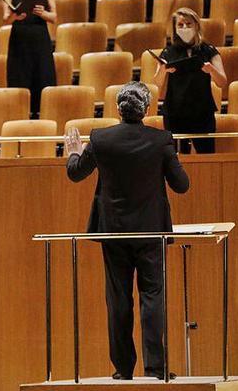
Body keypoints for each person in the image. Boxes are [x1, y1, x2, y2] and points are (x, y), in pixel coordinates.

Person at [65, 82, 190, 380]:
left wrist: (73, 152)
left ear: (118, 109)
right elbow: (181, 185)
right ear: (146, 109)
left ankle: (123, 369)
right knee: (152, 297)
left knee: (118, 299)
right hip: (150, 233)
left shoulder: (101, 139)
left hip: (114, 233)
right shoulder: (161, 140)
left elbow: (75, 173)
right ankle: (156, 369)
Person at [154, 8, 227, 154]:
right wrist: (163, 70)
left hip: (202, 112)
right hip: (175, 113)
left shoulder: (208, 50)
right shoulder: (168, 52)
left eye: (189, 24)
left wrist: (211, 70)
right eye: (180, 25)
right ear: (175, 29)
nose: (185, 28)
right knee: (176, 161)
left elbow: (222, 82)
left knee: (206, 157)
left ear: (196, 26)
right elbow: (157, 83)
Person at [2, 0, 57, 115]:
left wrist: (43, 14)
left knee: (43, 81)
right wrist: (15, 16)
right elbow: (6, 19)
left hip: (40, 38)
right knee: (19, 82)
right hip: (19, 39)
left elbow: (54, 17)